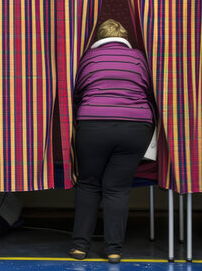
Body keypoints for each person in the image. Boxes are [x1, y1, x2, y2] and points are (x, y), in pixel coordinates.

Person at [69, 19, 155, 263]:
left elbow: (76, 91)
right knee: (117, 189)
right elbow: (149, 89)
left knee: (88, 184)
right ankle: (114, 250)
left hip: (94, 124)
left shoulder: (88, 57)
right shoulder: (139, 58)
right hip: (135, 128)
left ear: (99, 37)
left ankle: (79, 247)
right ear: (125, 37)